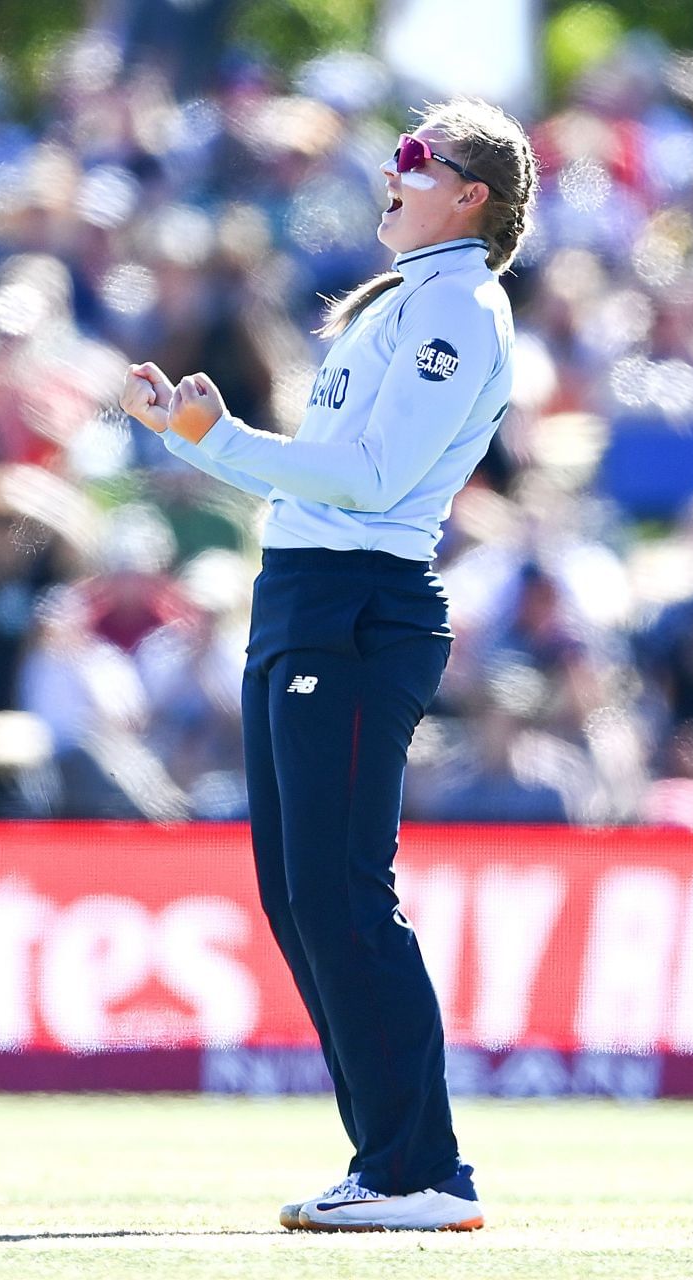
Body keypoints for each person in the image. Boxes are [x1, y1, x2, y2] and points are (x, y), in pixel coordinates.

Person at [121, 97, 535, 1233]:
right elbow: (327, 477)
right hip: (304, 594)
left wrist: (222, 445)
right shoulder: (405, 301)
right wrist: (195, 441)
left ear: (471, 198)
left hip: (360, 605)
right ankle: (387, 1155)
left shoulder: (459, 309)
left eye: (418, 159)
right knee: (301, 895)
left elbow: (366, 478)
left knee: (343, 892)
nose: (392, 172)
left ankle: (423, 1168)